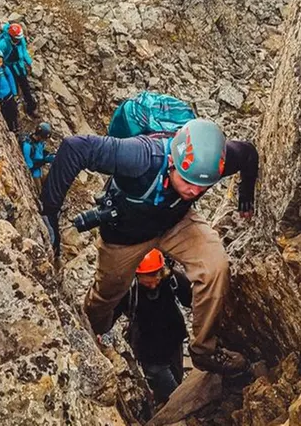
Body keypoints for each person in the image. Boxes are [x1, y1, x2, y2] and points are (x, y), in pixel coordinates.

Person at [41, 119, 257, 374]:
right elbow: (76, 148)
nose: (194, 191)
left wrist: (246, 194)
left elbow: (248, 154)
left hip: (174, 222)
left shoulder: (211, 164)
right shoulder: (141, 157)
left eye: (202, 187)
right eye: (187, 182)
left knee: (216, 268)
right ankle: (91, 336)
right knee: (106, 296)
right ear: (172, 163)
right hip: (125, 235)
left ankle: (204, 351)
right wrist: (50, 213)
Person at [112, 249, 192, 404]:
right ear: (137, 274)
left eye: (156, 279)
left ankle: (164, 405)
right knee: (174, 393)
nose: (154, 285)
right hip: (149, 349)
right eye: (148, 282)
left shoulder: (172, 279)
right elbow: (113, 310)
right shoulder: (130, 289)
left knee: (177, 380)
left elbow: (191, 299)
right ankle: (176, 412)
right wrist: (101, 329)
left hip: (173, 340)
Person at [0, 23, 36, 117]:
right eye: (16, 39)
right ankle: (14, 109)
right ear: (11, 36)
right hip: (9, 67)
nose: (18, 40)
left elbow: (24, 51)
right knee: (13, 88)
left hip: (19, 66)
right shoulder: (3, 44)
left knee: (25, 87)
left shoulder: (20, 40)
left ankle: (31, 108)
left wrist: (29, 62)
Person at [21, 122, 57, 192]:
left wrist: (48, 155)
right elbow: (29, 167)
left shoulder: (40, 142)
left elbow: (40, 152)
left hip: (39, 170)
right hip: (33, 173)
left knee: (52, 178)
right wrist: (44, 161)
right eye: (44, 138)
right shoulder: (27, 146)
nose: (45, 140)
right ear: (39, 136)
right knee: (39, 191)